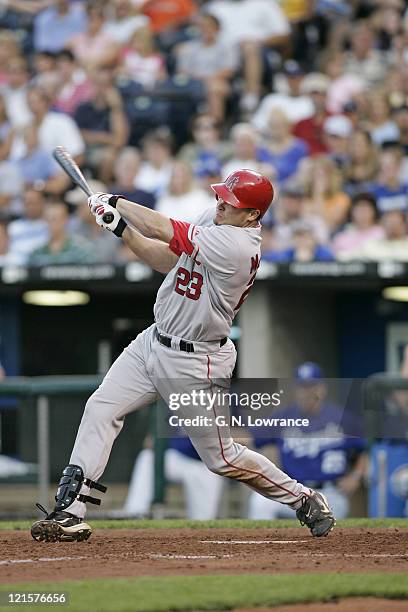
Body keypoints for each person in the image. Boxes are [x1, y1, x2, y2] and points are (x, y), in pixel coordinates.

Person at [30, 168, 335, 543]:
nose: (221, 204)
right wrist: (122, 229)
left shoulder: (239, 247)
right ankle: (70, 512)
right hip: (152, 342)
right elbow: (164, 258)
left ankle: (301, 497)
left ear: (253, 215)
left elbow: (163, 228)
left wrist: (116, 201)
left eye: (232, 203)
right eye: (223, 196)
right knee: (101, 408)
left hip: (196, 361)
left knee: (221, 459)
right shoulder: (217, 217)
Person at [248, 362, 367, 520]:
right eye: (302, 387)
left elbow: (364, 450)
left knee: (329, 533)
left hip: (330, 492)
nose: (307, 392)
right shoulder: (284, 417)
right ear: (296, 390)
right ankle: (260, 545)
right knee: (260, 502)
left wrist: (355, 476)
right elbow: (250, 436)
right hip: (293, 490)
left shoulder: (343, 418)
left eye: (312, 386)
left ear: (322, 388)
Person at [123, 436, 224, 519]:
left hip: (207, 466)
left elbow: (238, 433)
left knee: (202, 522)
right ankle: (135, 514)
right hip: (177, 457)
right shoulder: (174, 411)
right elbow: (150, 439)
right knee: (148, 458)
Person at [29, 201, 94, 266]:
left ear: (66, 220)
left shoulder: (81, 248)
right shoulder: (38, 252)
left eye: (55, 218)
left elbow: (91, 270)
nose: (51, 223)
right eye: (48, 219)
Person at [333, 193, 384, 260]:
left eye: (366, 209)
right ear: (351, 212)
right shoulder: (341, 238)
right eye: (359, 209)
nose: (362, 213)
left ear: (374, 212)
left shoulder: (383, 234)